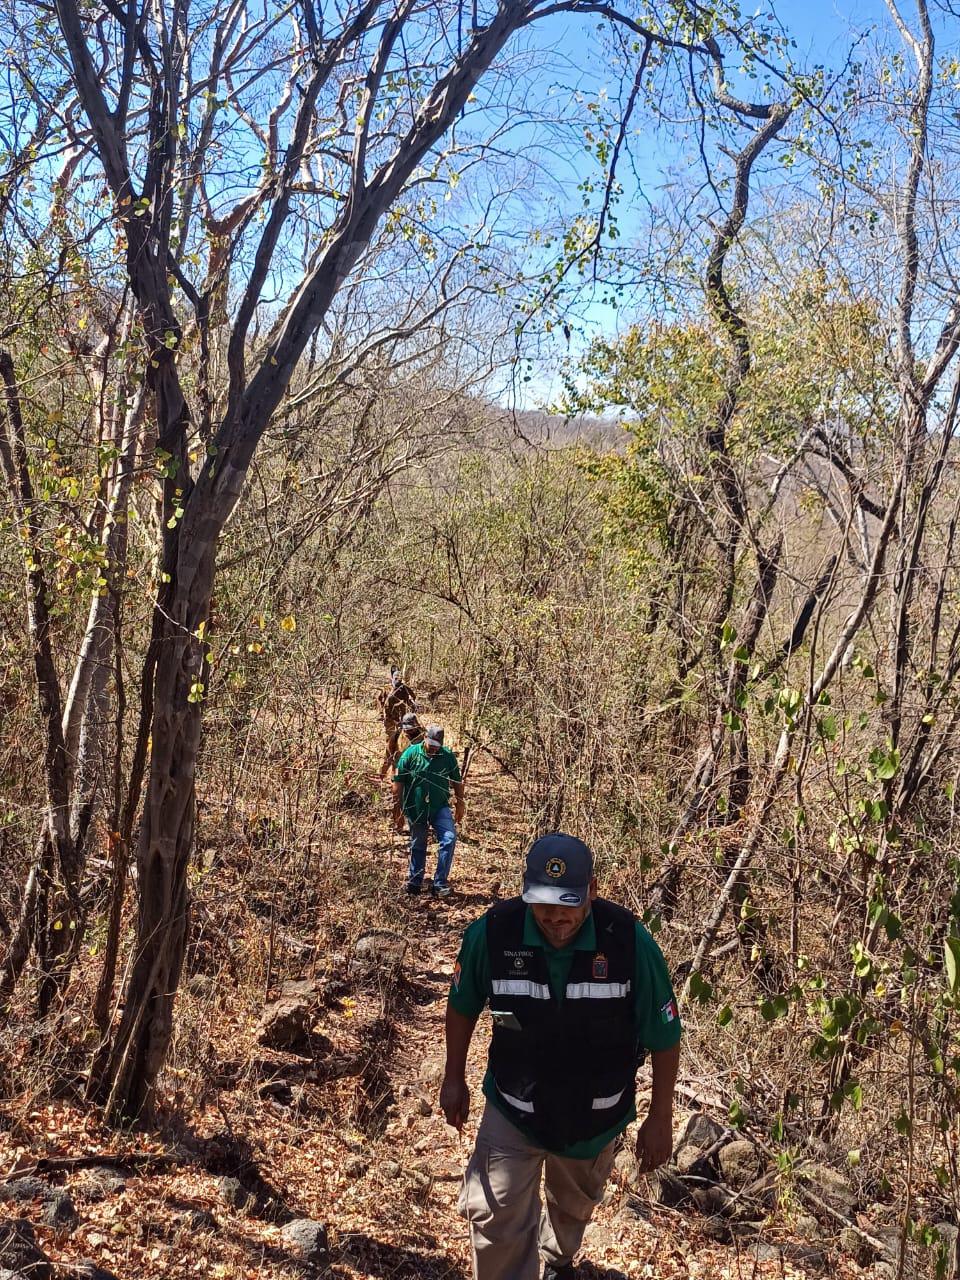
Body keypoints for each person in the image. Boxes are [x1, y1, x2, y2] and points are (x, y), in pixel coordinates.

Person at [440, 832, 681, 1280]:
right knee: (493, 1212)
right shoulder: (494, 933)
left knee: (573, 1206)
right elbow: (462, 1002)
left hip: (594, 1116)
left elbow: (664, 1035)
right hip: (514, 1103)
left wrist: (660, 1116)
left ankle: (555, 1260)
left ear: (592, 889)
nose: (555, 918)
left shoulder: (628, 943)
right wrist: (454, 1076)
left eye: (568, 903)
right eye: (543, 903)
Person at [392, 724, 465, 896]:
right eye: (430, 744)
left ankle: (439, 884)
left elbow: (457, 780)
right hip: (416, 808)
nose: (432, 749)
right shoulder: (410, 754)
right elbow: (398, 782)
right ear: (425, 738)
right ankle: (414, 881)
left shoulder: (447, 757)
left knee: (449, 838)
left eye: (436, 746)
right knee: (418, 843)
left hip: (440, 807)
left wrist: (460, 803)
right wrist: (398, 809)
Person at [377, 665, 416, 779]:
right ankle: (382, 773)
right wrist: (381, 713)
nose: (398, 680)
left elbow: (413, 698)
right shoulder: (386, 689)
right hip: (390, 722)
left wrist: (411, 704)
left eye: (400, 678)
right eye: (396, 678)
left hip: (402, 722)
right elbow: (379, 700)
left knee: (401, 746)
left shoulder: (404, 688)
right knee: (390, 746)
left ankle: (395, 773)